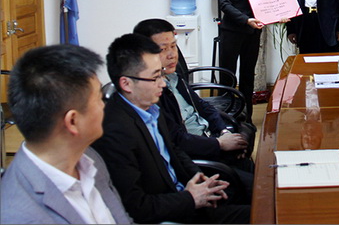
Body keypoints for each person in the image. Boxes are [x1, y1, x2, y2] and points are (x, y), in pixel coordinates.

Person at [93, 33, 250, 224]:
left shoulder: (151, 106)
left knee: (255, 193)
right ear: (126, 83)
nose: (162, 83)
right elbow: (137, 207)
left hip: (186, 195)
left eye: (161, 74)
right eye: (155, 77)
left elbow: (174, 149)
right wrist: (190, 198)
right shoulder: (115, 132)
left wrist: (199, 178)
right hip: (172, 212)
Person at [1, 44, 131, 224]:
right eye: (99, 99)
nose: (104, 105)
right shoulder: (20, 215)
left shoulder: (89, 158)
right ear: (73, 121)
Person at [133, 18, 254, 196]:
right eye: (162, 49)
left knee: (251, 162)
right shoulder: (152, 93)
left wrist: (224, 132)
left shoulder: (173, 76)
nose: (172, 55)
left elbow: (203, 106)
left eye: (174, 46)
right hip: (197, 157)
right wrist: (219, 144)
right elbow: (178, 141)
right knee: (257, 188)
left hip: (209, 141)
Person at [218, 0, 284, 122]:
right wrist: (246, 19)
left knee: (248, 75)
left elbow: (264, 1)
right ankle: (226, 117)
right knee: (228, 75)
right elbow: (224, 3)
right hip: (232, 31)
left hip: (253, 32)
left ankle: (247, 117)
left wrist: (277, 15)